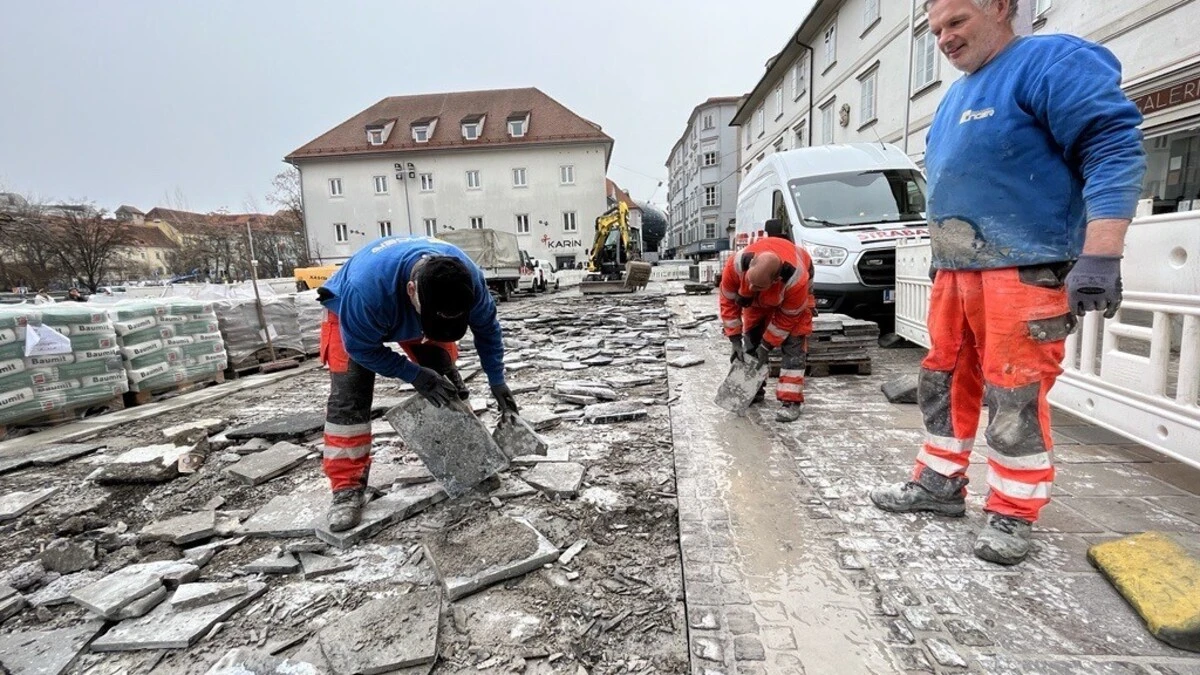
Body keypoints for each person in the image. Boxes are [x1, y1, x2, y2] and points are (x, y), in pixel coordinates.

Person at [869, 0, 1146, 565]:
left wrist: (1101, 253)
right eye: (936, 30)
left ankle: (1013, 510)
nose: (944, 39)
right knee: (944, 378)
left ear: (1001, 7)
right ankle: (939, 482)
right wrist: (944, 255)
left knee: (1013, 390)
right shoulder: (955, 98)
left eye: (956, 22)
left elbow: (1111, 148)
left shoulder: (1050, 62)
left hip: (1024, 269)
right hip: (958, 272)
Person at [316, 236, 518, 531]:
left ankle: (468, 462)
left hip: (417, 305)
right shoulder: (365, 292)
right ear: (412, 291)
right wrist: (414, 374)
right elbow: (360, 349)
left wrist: (497, 380)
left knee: (445, 382)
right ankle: (346, 489)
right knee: (350, 397)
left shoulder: (468, 281)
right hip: (350, 314)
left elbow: (487, 330)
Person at [718, 233, 815, 422]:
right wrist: (735, 339)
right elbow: (727, 301)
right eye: (749, 282)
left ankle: (791, 401)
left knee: (793, 345)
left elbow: (786, 319)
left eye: (758, 286)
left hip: (792, 305)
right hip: (758, 303)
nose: (751, 287)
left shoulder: (796, 280)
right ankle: (754, 391)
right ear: (750, 264)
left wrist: (766, 346)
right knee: (751, 341)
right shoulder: (734, 266)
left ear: (776, 279)